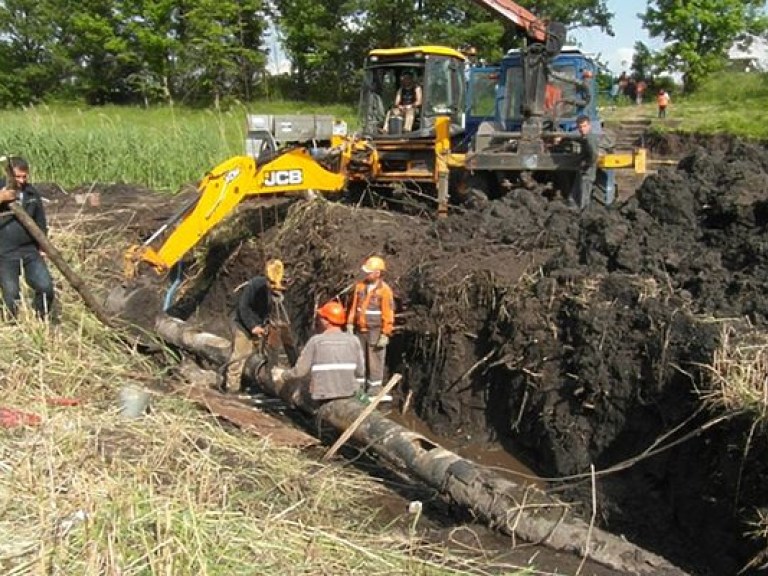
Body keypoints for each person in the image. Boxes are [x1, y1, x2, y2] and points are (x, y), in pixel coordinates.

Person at [270, 300, 364, 404]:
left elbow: (300, 372)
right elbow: (360, 371)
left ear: (327, 321)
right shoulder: (354, 340)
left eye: (321, 317)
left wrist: (282, 375)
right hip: (349, 392)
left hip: (323, 395)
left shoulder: (316, 341)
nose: (318, 320)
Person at [0, 156, 55, 321]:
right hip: (5, 252)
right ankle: (12, 325)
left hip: (30, 250)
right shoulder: (1, 190)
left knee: (46, 287)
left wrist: (42, 245)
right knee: (11, 294)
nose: (22, 180)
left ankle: (41, 318)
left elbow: (40, 221)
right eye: (18, 177)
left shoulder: (31, 193)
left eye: (25, 176)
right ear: (9, 175)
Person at [223, 259, 285, 393]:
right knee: (239, 357)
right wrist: (252, 326)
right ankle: (232, 388)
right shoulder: (255, 285)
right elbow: (243, 307)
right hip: (244, 325)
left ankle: (254, 384)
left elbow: (272, 308)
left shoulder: (274, 288)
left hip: (261, 324)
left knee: (256, 356)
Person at [346, 256, 395, 402]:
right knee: (359, 358)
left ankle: (374, 389)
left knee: (375, 360)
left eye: (369, 272)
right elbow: (354, 307)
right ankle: (357, 387)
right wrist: (350, 323)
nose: (366, 274)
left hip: (376, 330)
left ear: (377, 273)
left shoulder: (385, 291)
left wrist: (385, 333)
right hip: (360, 329)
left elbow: (388, 313)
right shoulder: (360, 287)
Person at [569, 115, 600, 210]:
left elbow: (594, 154)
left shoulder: (590, 138)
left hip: (587, 172)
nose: (582, 129)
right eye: (580, 127)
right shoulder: (585, 137)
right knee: (576, 195)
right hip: (583, 171)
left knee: (584, 197)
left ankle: (583, 215)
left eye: (584, 126)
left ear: (589, 125)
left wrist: (587, 164)